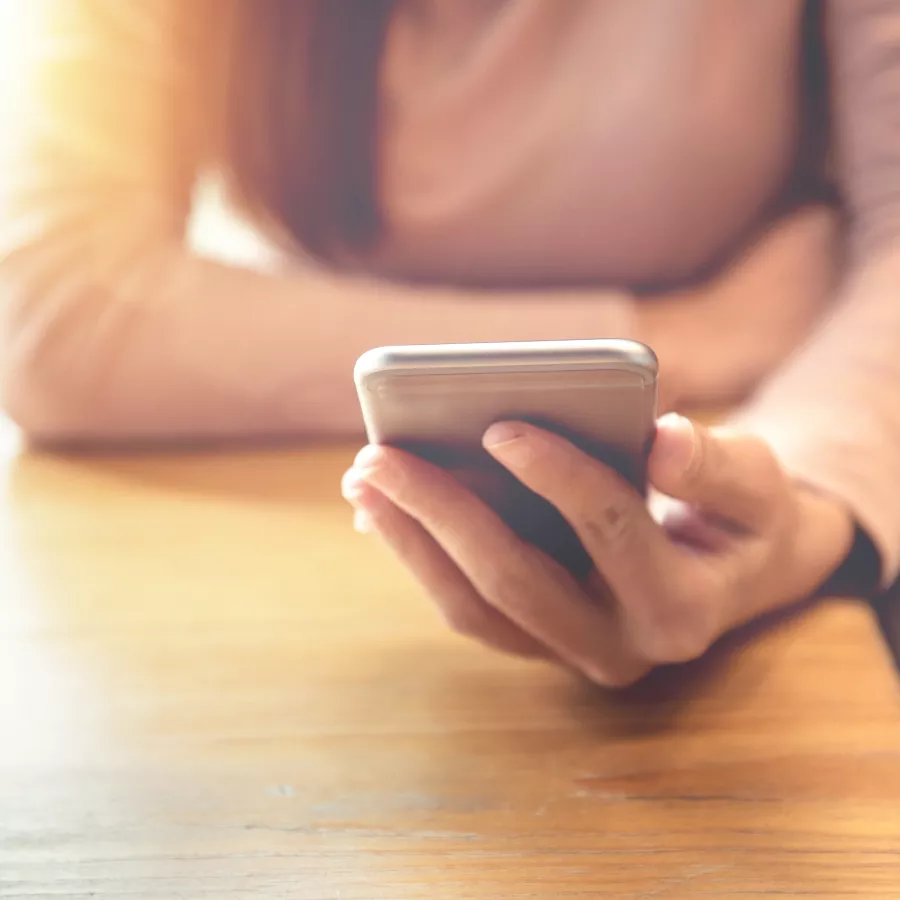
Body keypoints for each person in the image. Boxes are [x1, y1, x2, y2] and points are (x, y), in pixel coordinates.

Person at [0, 0, 897, 684]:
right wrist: (680, 335)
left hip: (771, 450)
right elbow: (49, 306)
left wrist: (810, 509)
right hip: (280, 576)